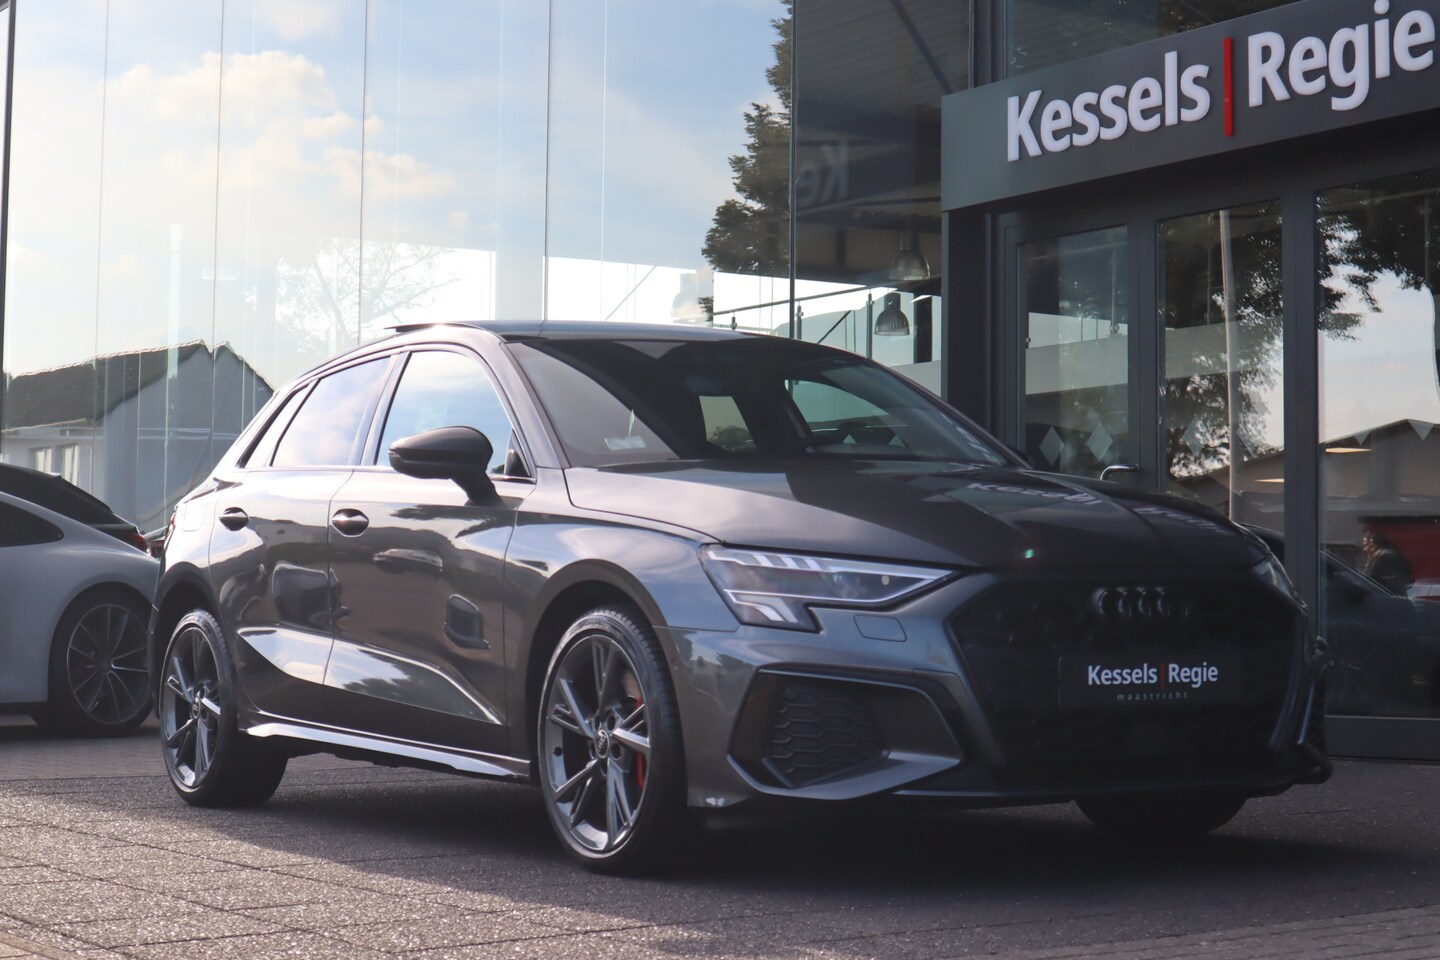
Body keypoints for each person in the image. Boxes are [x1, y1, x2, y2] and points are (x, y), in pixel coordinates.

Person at [1361, 529, 1413, 596]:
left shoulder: (1381, 560)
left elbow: (1366, 581)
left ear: (1375, 546)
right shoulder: (1394, 556)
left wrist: (1370, 562)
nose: (1364, 549)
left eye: (1366, 545)